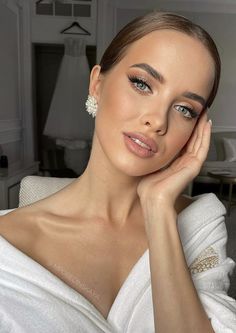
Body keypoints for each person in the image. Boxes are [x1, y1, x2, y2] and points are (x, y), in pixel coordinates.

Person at [0, 11, 235, 333]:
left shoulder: (201, 223)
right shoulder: (7, 246)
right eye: (142, 84)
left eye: (185, 109)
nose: (159, 120)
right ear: (97, 83)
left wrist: (158, 207)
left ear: (196, 128)